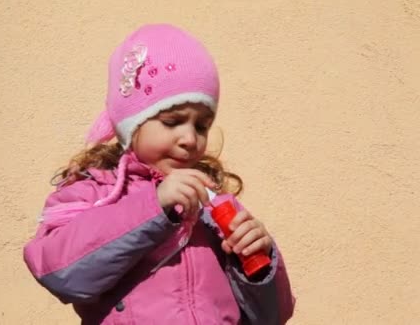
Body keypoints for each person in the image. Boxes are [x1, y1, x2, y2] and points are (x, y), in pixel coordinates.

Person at [23, 24, 295, 324]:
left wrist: (259, 261)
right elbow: (59, 273)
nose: (190, 139)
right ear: (131, 124)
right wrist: (154, 206)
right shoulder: (97, 190)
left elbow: (273, 316)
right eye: (171, 121)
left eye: (201, 126)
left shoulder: (212, 204)